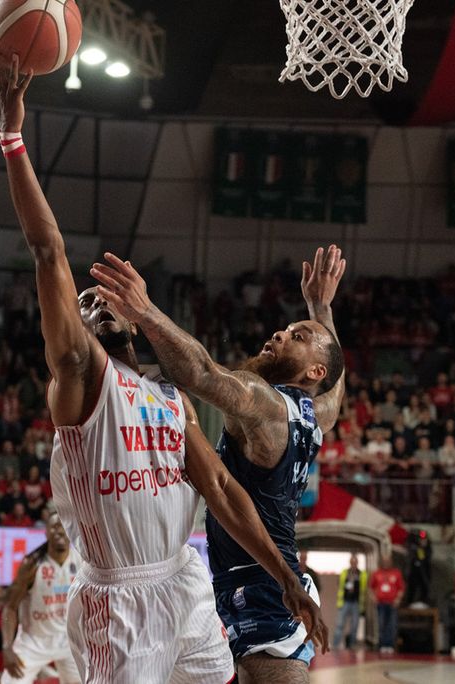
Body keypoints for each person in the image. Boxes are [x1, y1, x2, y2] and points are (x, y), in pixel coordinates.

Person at [0, 54, 322, 684]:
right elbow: (48, 251)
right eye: (85, 305)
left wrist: (287, 577)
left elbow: (220, 488)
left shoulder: (169, 398)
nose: (97, 303)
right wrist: (13, 138)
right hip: (118, 600)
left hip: (183, 580)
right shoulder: (81, 383)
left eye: (103, 298)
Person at [90, 244, 345, 683]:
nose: (280, 334)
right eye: (286, 330)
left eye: (298, 337)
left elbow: (202, 374)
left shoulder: (267, 404)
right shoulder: (316, 415)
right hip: (250, 579)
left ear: (314, 373)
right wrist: (320, 309)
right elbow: (335, 393)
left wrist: (146, 312)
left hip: (264, 586)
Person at [2, 512, 80, 684]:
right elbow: (10, 607)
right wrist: (7, 647)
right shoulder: (31, 564)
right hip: (33, 641)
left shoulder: (81, 562)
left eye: (63, 526)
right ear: (46, 532)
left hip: (68, 640)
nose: (60, 531)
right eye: (55, 526)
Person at [370, 555, 404, 654]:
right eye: (384, 561)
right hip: (381, 603)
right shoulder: (376, 573)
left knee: (392, 624)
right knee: (381, 624)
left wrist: (398, 599)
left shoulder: (396, 573)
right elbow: (370, 588)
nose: (386, 563)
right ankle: (382, 645)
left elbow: (401, 588)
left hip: (392, 603)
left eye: (388, 561)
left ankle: (390, 645)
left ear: (391, 562)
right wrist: (373, 598)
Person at [332, 555, 366, 651]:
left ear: (357, 563)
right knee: (340, 624)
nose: (353, 564)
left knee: (354, 625)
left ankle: (351, 645)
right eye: (352, 562)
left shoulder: (361, 574)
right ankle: (335, 645)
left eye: (355, 562)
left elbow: (364, 588)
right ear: (350, 563)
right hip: (345, 602)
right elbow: (340, 584)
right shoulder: (345, 573)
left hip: (356, 603)